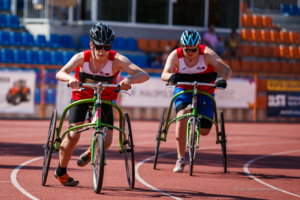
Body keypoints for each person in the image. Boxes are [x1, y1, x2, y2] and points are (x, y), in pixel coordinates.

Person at [55, 23, 149, 186]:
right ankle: (61, 171)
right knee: (73, 135)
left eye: (106, 47)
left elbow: (144, 74)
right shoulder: (81, 57)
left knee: (107, 140)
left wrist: (128, 80)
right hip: (81, 96)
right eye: (98, 46)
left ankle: (91, 152)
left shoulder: (117, 59)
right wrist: (71, 79)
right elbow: (60, 73)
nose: (102, 51)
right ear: (91, 44)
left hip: (105, 97)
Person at [161, 29, 231, 172]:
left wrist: (223, 79)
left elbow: (226, 69)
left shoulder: (207, 54)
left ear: (199, 46)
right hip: (184, 91)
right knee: (181, 117)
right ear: (182, 46)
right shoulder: (175, 55)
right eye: (187, 49)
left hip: (205, 91)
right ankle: (180, 159)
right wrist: (170, 77)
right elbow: (165, 73)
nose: (190, 52)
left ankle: (196, 125)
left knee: (205, 131)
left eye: (194, 49)